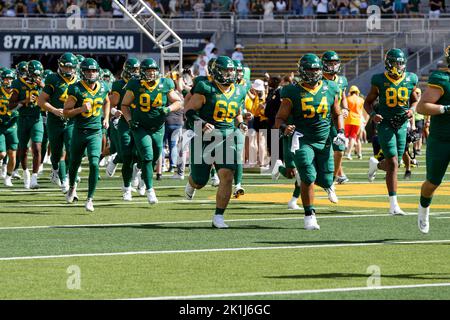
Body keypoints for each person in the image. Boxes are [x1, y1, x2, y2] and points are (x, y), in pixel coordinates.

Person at [275, 54, 345, 230]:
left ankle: (323, 187)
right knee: (308, 175)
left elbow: (337, 113)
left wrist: (341, 131)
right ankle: (309, 214)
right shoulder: (291, 91)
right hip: (302, 139)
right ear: (302, 70)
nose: (313, 73)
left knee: (327, 178)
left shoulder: (330, 87)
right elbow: (279, 118)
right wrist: (284, 127)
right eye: (309, 69)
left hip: (324, 140)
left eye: (316, 69)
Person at [184, 56, 248, 228]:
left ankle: (218, 216)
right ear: (216, 71)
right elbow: (189, 111)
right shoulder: (205, 88)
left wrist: (241, 122)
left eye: (231, 71)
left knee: (227, 176)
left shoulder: (240, 90)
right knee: (199, 181)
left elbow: (236, 109)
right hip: (203, 136)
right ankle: (191, 183)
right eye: (225, 71)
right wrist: (202, 124)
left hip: (227, 136)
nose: (229, 74)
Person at [364, 48, 419, 215]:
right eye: (395, 63)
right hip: (386, 124)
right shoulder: (379, 79)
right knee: (394, 163)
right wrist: (373, 115)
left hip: (402, 125)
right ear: (388, 64)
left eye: (401, 63)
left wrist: (412, 110)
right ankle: (393, 204)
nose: (398, 66)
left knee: (394, 163)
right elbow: (367, 103)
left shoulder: (411, 78)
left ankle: (376, 164)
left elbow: (415, 100)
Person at [120, 58, 182, 204]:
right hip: (140, 127)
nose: (151, 73)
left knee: (154, 157)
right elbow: (124, 105)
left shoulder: (165, 83)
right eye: (148, 71)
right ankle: (150, 190)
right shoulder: (134, 84)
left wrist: (168, 109)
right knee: (147, 156)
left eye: (153, 70)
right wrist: (129, 120)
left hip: (159, 128)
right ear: (142, 72)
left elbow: (178, 102)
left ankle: (141, 172)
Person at [64, 58, 111, 212]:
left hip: (95, 132)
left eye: (94, 70)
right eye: (88, 71)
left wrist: (106, 117)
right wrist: (80, 109)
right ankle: (72, 186)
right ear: (82, 72)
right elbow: (66, 112)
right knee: (74, 163)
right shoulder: (75, 89)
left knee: (94, 163)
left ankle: (90, 199)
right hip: (79, 131)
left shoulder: (103, 86)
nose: (91, 73)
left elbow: (107, 101)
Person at [416, 45, 450, 233]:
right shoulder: (442, 79)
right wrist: (446, 108)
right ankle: (423, 209)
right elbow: (422, 107)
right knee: (432, 183)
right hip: (441, 139)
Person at [38, 52, 78, 194]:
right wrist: (54, 110)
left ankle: (66, 179)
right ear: (60, 66)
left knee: (71, 149)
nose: (68, 70)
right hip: (55, 121)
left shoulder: (79, 80)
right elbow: (41, 101)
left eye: (71, 67)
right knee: (56, 153)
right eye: (65, 67)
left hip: (72, 121)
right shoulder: (53, 79)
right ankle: (56, 169)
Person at [109, 58, 142, 200]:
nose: (136, 72)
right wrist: (113, 112)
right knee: (127, 155)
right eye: (133, 70)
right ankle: (127, 187)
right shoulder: (118, 84)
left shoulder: (143, 83)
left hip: (141, 122)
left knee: (143, 154)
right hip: (124, 123)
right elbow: (110, 104)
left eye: (137, 70)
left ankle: (139, 171)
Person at [9, 60, 45, 189]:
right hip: (23, 119)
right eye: (34, 74)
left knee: (37, 148)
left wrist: (43, 86)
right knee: (23, 149)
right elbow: (10, 105)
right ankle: (25, 173)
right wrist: (24, 101)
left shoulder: (42, 84)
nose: (36, 77)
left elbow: (53, 98)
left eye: (38, 74)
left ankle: (35, 178)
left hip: (36, 118)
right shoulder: (18, 83)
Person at [322, 51, 350, 185]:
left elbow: (343, 97)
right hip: (321, 118)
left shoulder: (342, 80)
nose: (333, 66)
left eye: (335, 63)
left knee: (339, 149)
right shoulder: (319, 79)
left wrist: (345, 108)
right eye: (330, 64)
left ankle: (334, 176)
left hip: (336, 119)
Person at [0, 69, 18, 187]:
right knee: (2, 153)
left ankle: (8, 176)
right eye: (6, 78)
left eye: (11, 79)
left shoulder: (17, 92)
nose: (9, 81)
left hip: (13, 126)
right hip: (0, 126)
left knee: (12, 155)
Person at [345, 85, 365, 160]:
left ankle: (349, 153)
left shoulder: (347, 99)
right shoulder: (361, 100)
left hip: (348, 120)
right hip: (357, 120)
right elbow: (362, 111)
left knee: (348, 137)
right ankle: (359, 153)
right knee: (355, 138)